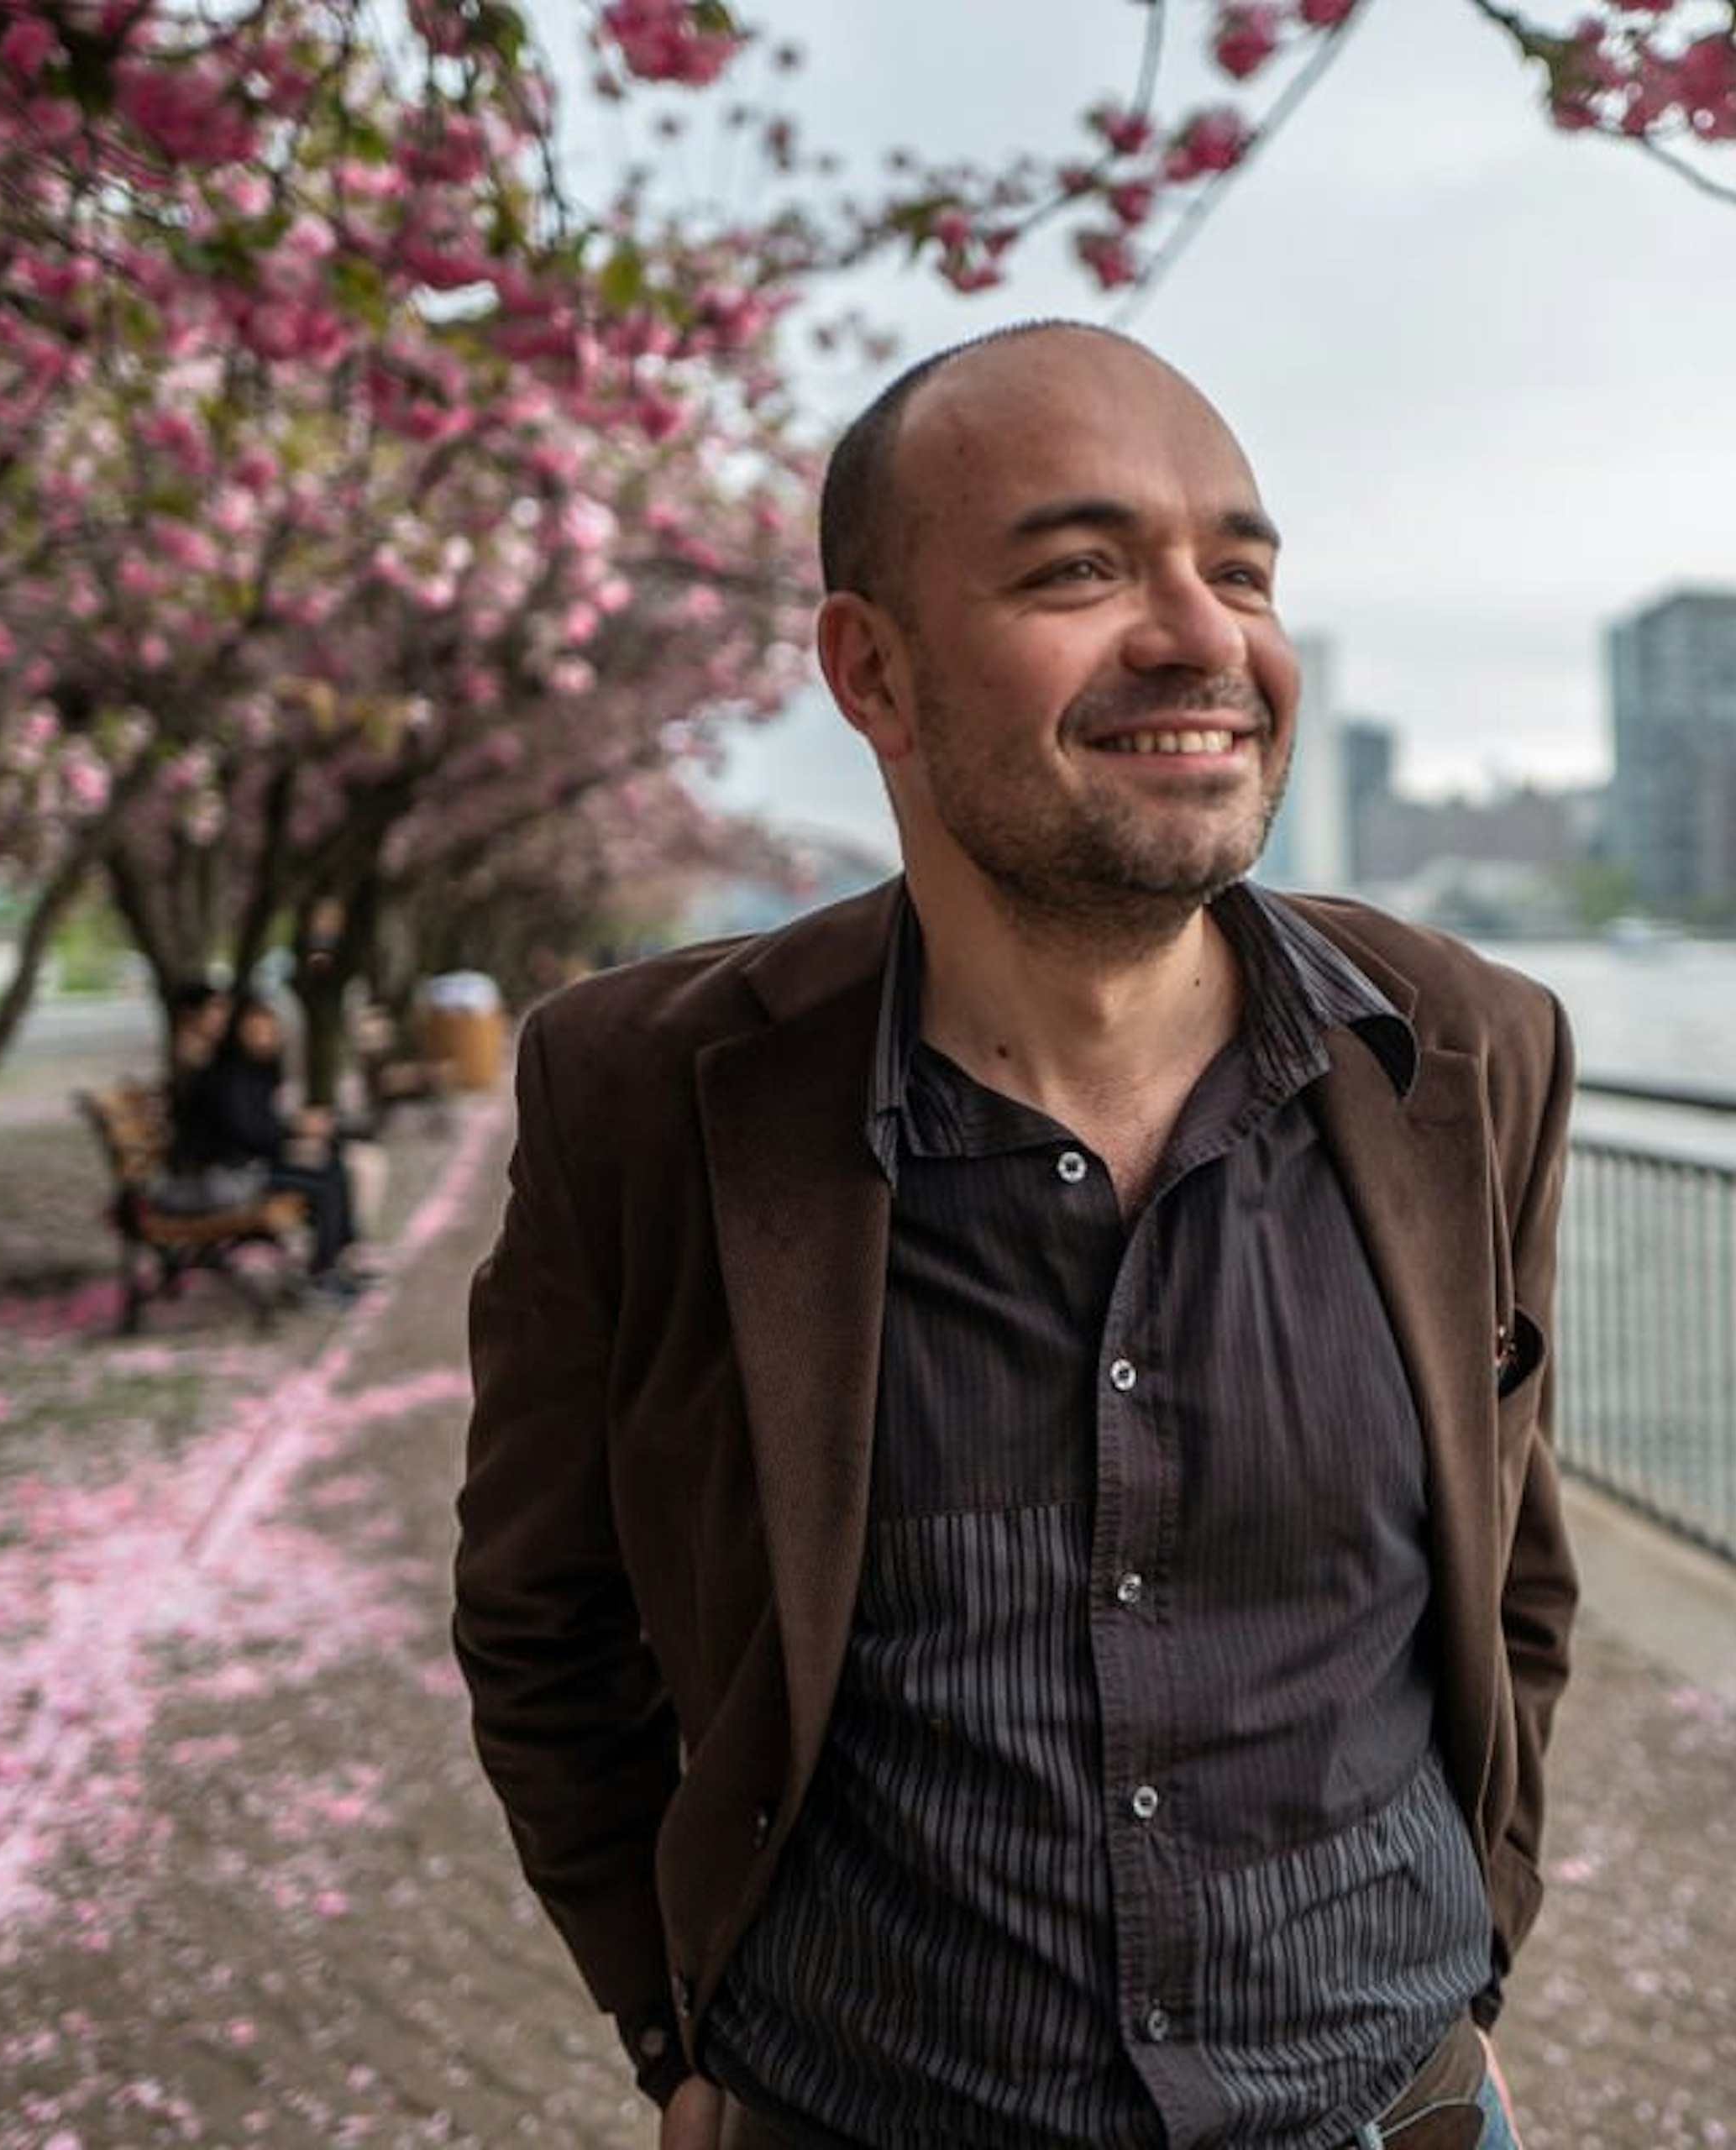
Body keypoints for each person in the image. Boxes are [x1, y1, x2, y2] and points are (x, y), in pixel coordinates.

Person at [454, 322, 1575, 2150]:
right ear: (870, 669)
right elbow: (541, 1621)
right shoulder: (648, 1095)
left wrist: (1470, 1977)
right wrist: (674, 2037)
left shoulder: (1462, 1050)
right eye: (1080, 568)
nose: (1202, 636)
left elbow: (1513, 1567)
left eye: (1240, 569)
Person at [171, 994, 369, 1299]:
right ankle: (323, 1272)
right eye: (256, 1030)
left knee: (330, 1164)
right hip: (224, 1178)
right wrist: (298, 1133)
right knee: (322, 1181)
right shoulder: (226, 1075)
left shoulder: (251, 1070)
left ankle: (337, 1259)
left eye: (270, 1031)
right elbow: (247, 1135)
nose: (266, 1038)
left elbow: (260, 1131)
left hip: (247, 1166)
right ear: (239, 1031)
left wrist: (300, 1134)